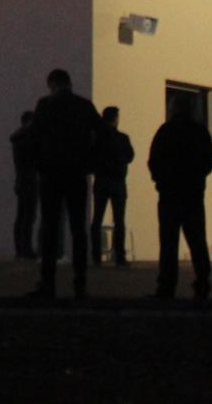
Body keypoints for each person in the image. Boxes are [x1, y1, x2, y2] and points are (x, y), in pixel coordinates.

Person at [27, 68, 100, 300]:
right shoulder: (84, 105)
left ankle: (48, 284)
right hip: (77, 174)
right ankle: (80, 284)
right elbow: (102, 134)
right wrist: (90, 162)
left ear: (52, 84)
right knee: (78, 230)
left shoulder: (46, 105)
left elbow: (33, 136)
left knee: (50, 228)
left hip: (51, 174)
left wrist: (39, 165)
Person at [148, 92, 212, 301]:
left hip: (169, 195)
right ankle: (202, 284)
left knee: (168, 243)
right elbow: (209, 162)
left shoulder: (166, 131)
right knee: (197, 242)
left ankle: (166, 286)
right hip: (193, 194)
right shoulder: (199, 132)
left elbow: (154, 161)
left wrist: (161, 181)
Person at [90, 106, 135, 266]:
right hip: (118, 182)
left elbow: (90, 158)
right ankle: (120, 257)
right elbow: (130, 157)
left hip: (101, 181)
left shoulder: (96, 138)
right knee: (119, 220)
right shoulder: (122, 138)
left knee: (97, 219)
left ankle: (96, 257)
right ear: (115, 118)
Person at [9, 110, 38, 260]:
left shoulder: (17, 139)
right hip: (30, 180)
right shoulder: (28, 140)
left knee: (22, 216)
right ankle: (26, 249)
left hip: (22, 180)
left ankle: (21, 250)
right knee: (28, 216)